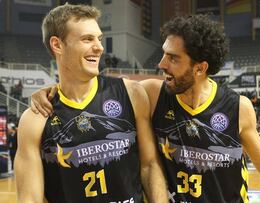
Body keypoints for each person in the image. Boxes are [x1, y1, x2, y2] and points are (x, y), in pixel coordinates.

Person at [31, 14, 260, 203]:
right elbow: (91, 87)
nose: (162, 63)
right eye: (163, 53)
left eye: (173, 58)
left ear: (200, 68)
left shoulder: (238, 106)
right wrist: (49, 91)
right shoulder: (153, 93)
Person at [15, 4, 167, 203]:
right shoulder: (35, 119)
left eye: (99, 39)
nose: (99, 47)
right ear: (57, 45)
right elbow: (30, 199)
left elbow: (149, 165)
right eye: (87, 39)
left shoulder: (132, 93)